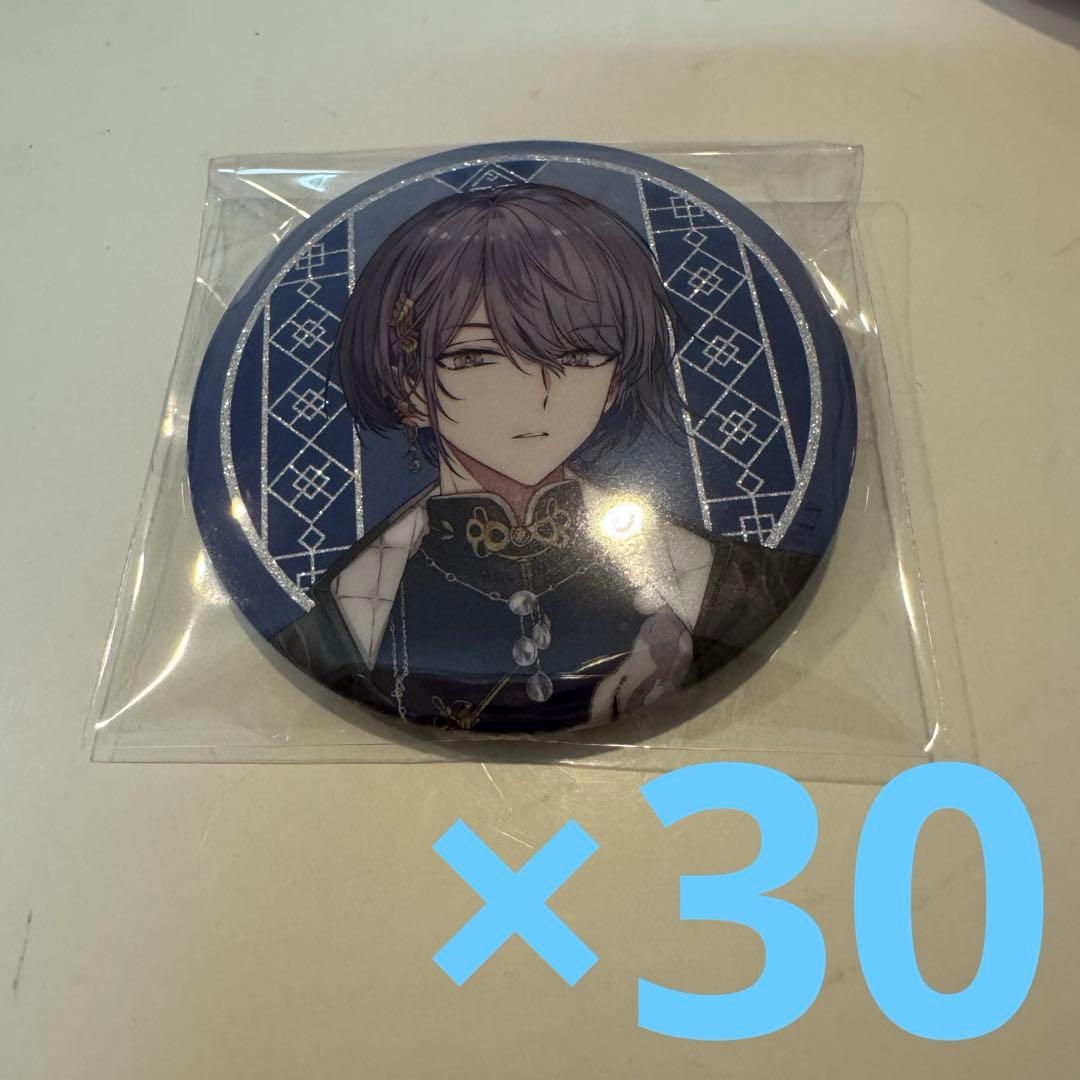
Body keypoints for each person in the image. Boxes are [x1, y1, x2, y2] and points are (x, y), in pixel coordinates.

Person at [271, 183, 815, 731]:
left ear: (614, 380)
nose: (537, 394)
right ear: (409, 387)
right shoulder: (340, 618)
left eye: (578, 353)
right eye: (474, 356)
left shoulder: (734, 585)